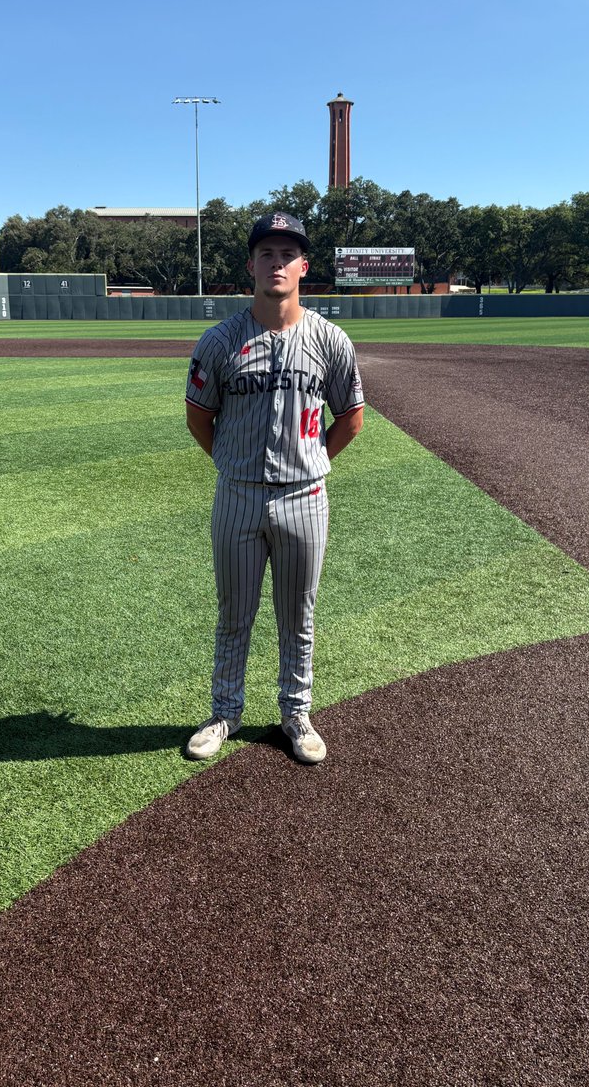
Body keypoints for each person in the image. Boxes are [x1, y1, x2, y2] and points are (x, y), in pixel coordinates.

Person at [184, 212, 364, 764]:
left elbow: (351, 417)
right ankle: (224, 713)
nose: (277, 263)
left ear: (304, 267)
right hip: (237, 495)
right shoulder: (220, 341)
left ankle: (296, 715)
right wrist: (235, 464)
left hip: (305, 497)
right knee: (234, 612)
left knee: (297, 612)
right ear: (251, 265)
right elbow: (198, 417)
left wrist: (309, 462)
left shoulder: (330, 340)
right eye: (267, 253)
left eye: (287, 254)